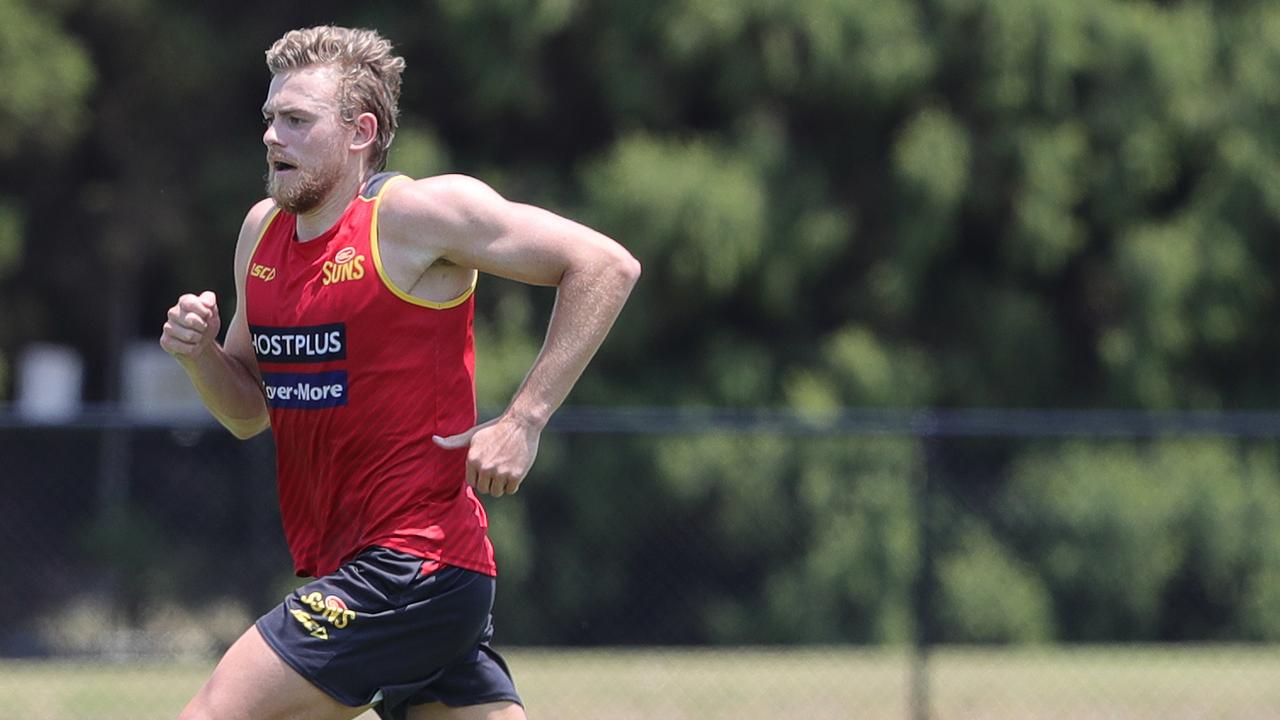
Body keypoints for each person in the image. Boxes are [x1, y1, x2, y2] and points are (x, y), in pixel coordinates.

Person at [159, 25, 640, 720]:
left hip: (413, 566)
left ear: (360, 132)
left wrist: (524, 419)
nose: (271, 136)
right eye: (269, 118)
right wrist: (200, 354)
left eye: (296, 120)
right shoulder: (260, 234)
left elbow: (604, 266)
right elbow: (247, 411)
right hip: (395, 576)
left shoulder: (414, 216)